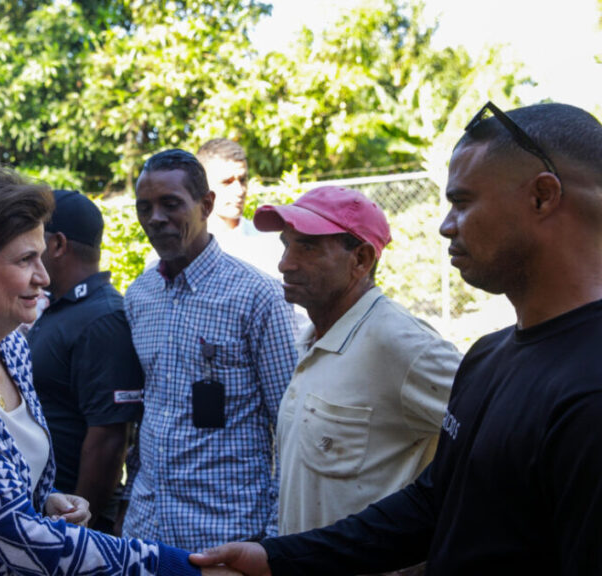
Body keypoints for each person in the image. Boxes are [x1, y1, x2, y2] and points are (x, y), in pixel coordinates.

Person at [190, 102, 602, 575]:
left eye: (463, 202)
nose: (446, 225)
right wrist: (277, 558)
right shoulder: (488, 358)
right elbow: (432, 504)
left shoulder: (589, 392)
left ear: (542, 197)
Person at [0, 164, 234, 576]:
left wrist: (46, 501)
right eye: (26, 260)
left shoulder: (11, 348)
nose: (43, 277)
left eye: (41, 256)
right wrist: (183, 569)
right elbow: (14, 532)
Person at [252, 187, 461, 552]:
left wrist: (435, 551)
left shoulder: (398, 342)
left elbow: (499, 439)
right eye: (286, 245)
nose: (285, 263)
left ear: (361, 260)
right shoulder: (312, 339)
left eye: (307, 247)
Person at [122, 149, 297, 551]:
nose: (155, 218)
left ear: (206, 205)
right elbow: (147, 414)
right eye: (144, 207)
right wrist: (130, 505)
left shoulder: (256, 296)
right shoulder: (139, 296)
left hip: (227, 535)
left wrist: (274, 538)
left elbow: (291, 427)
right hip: (147, 532)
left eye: (170, 204)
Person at [27, 189, 144, 534]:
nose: (25, 251)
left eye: (33, 240)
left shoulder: (102, 319)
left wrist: (77, 531)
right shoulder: (63, 307)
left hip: (72, 522)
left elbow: (109, 438)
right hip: (47, 510)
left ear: (57, 244)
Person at [197, 139, 283, 278]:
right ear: (202, 185)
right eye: (227, 182)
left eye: (242, 180)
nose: (239, 190)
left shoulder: (269, 245)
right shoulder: (186, 247)